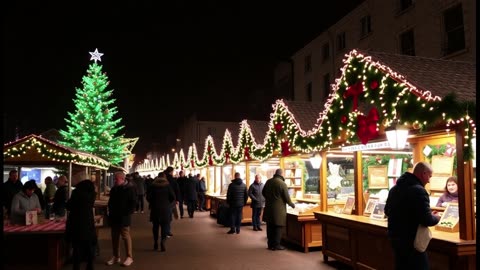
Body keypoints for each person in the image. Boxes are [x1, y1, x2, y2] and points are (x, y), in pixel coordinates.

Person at [385, 161, 440, 270]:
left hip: (396, 240)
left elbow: (387, 211)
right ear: (423, 173)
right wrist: (437, 218)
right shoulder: (419, 191)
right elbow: (427, 220)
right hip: (413, 243)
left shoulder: (394, 189)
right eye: (429, 176)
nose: (429, 180)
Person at [106, 171, 136, 267]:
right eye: (114, 179)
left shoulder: (130, 189)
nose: (114, 180)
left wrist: (127, 212)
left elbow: (133, 204)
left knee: (125, 236)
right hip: (114, 216)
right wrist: (109, 212)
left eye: (116, 179)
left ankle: (129, 257)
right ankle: (116, 256)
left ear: (122, 179)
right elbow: (110, 202)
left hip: (124, 217)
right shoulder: (114, 189)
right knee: (114, 237)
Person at [66, 179, 97, 270]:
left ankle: (76, 267)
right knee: (89, 246)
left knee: (77, 247)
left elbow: (69, 206)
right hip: (88, 223)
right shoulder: (92, 195)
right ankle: (90, 266)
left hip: (76, 223)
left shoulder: (76, 193)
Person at [262, 169, 295, 250]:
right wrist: (292, 205)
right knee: (278, 227)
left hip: (269, 208)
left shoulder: (268, 182)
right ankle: (276, 245)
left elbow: (263, 192)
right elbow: (287, 198)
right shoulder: (282, 183)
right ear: (282, 174)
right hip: (278, 210)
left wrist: (269, 199)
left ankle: (270, 244)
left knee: (269, 227)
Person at [146, 172, 175, 252]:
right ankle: (163, 241)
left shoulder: (153, 186)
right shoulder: (167, 186)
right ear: (164, 177)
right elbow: (173, 197)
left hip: (155, 209)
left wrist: (152, 203)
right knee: (165, 226)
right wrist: (168, 203)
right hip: (165, 209)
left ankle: (155, 242)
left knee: (155, 227)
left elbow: (148, 197)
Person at [164, 166, 180, 236]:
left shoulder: (162, 179)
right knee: (168, 216)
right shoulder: (172, 180)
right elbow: (176, 190)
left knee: (163, 216)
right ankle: (167, 231)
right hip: (170, 200)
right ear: (171, 172)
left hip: (161, 201)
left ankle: (164, 230)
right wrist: (177, 199)